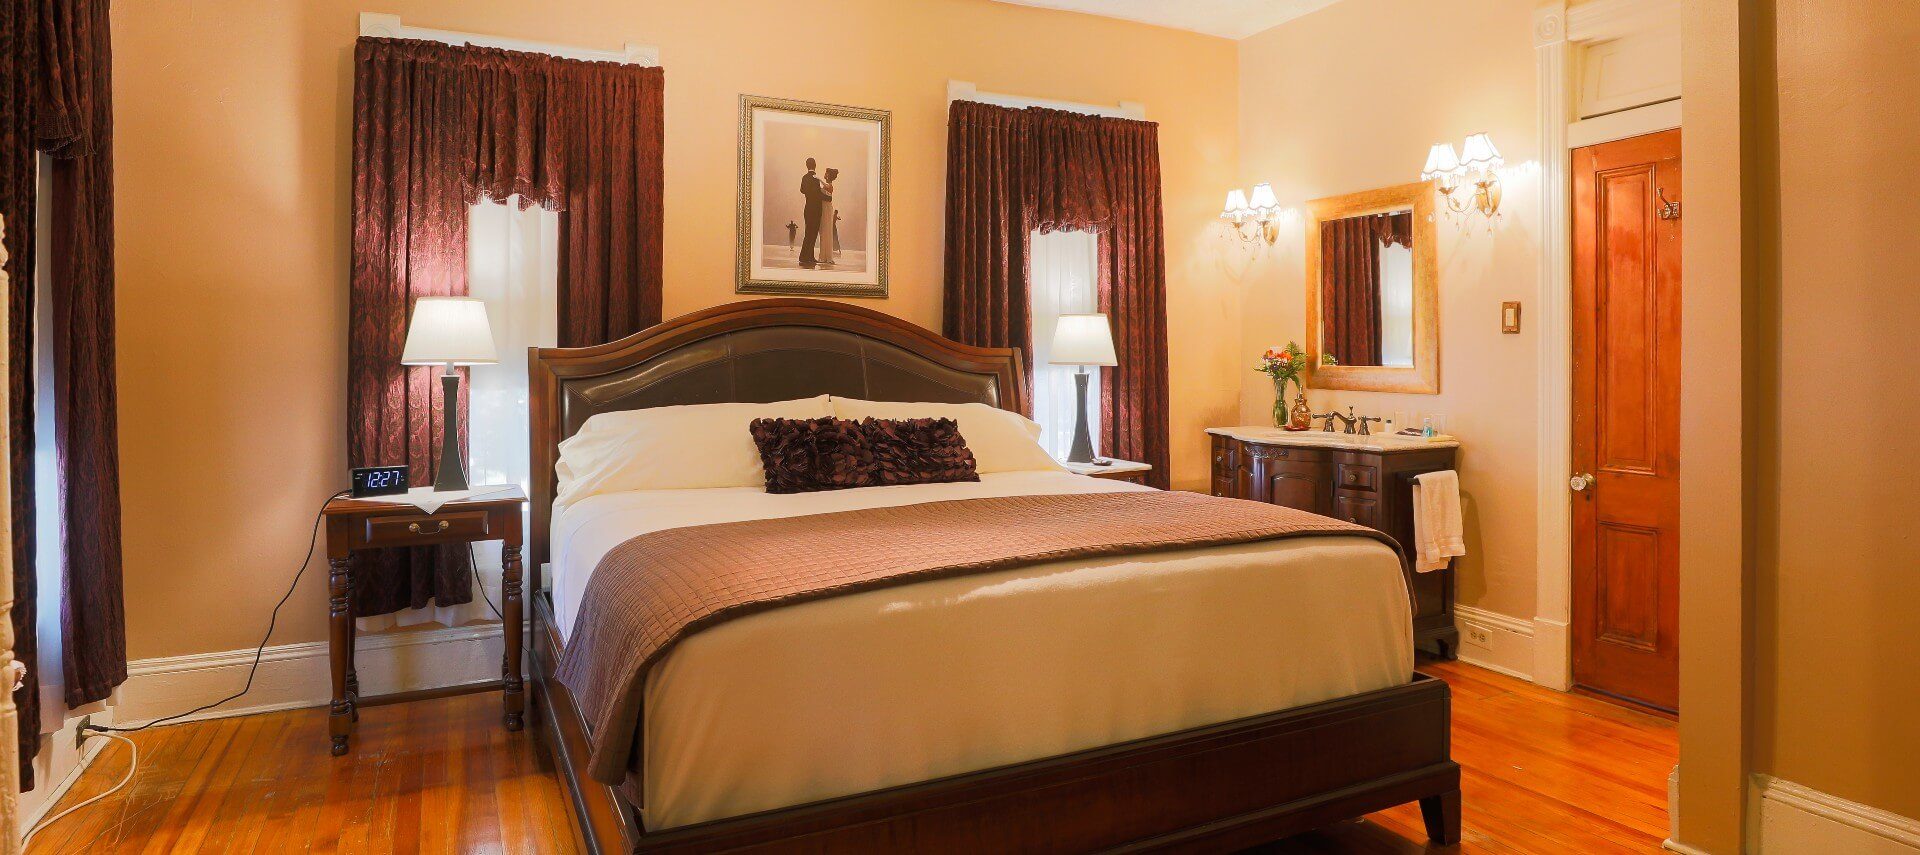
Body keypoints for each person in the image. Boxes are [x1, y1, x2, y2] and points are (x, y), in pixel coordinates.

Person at [798, 157, 828, 268]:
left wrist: (809, 192)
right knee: (813, 232)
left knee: (808, 232)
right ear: (815, 165)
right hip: (816, 209)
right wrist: (828, 198)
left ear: (807, 166)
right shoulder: (815, 178)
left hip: (807, 208)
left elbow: (802, 190)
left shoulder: (804, 177)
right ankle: (807, 256)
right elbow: (818, 194)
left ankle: (806, 255)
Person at [817, 168, 839, 265]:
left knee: (826, 231)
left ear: (829, 176)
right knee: (823, 231)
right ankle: (824, 256)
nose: (825, 175)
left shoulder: (829, 186)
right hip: (824, 208)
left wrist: (818, 179)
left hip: (827, 209)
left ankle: (826, 256)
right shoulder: (826, 186)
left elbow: (827, 194)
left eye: (826, 174)